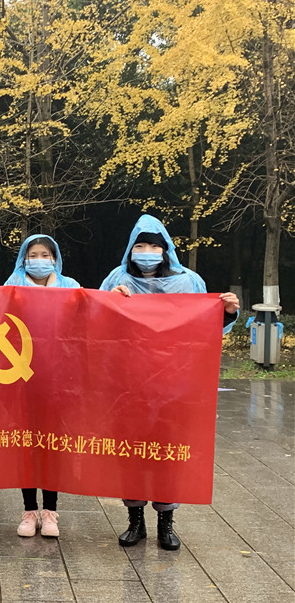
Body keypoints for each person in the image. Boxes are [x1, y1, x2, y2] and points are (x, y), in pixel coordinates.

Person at [100, 214, 239, 551]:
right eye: (141, 246)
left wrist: (228, 312)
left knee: (167, 452)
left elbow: (205, 326)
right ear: (131, 249)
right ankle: (135, 521)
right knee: (132, 452)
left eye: (154, 246)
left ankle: (166, 522)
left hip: (173, 382)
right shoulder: (117, 279)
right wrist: (110, 302)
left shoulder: (188, 281)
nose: (147, 252)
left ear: (166, 250)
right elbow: (95, 323)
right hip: (129, 382)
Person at [4, 234, 80, 538]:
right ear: (24, 258)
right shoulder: (12, 286)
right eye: (33, 254)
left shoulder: (70, 286)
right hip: (22, 377)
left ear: (55, 258)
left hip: (59, 377)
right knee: (26, 445)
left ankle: (50, 512)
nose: (39, 260)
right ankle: (29, 511)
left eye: (45, 255)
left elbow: (89, 316)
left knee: (52, 445)